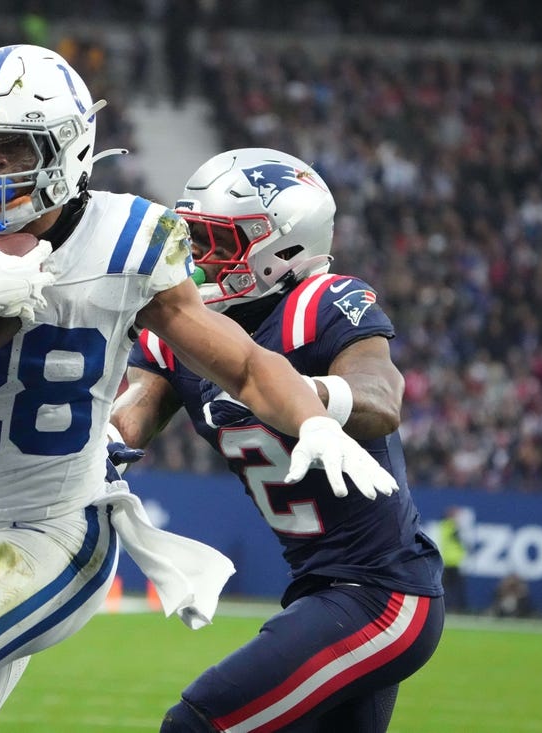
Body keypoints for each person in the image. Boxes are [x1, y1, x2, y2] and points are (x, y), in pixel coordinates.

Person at [0, 46, 397, 733]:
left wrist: (312, 417)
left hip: (60, 533)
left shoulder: (127, 239)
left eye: (13, 148)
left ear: (68, 149)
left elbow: (245, 365)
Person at [111, 148, 444, 732]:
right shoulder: (181, 332)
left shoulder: (319, 302)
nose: (198, 259)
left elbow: (381, 395)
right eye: (194, 239)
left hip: (381, 594)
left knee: (193, 725)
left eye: (218, 242)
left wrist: (303, 398)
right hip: (320, 590)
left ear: (281, 251)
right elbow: (131, 414)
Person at [439, 505, 469, 613]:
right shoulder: (451, 526)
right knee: (456, 587)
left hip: (450, 561)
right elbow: (460, 539)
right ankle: (458, 608)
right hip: (453, 562)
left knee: (448, 587)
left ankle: (447, 607)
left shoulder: (445, 525)